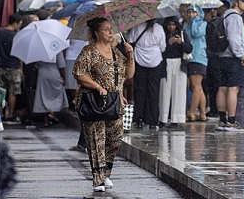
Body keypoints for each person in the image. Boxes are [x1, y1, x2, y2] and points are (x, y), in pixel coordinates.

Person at [73, 17, 135, 192]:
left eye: (111, 29)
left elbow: (128, 75)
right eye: (106, 29)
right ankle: (98, 179)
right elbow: (79, 73)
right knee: (96, 140)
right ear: (96, 33)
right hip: (93, 102)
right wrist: (97, 86)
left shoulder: (116, 52)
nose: (110, 32)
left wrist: (131, 55)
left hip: (113, 102)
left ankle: (106, 172)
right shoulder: (89, 51)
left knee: (115, 138)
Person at [216, 0, 244, 131]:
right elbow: (234, 39)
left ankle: (222, 119)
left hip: (222, 56)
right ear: (236, 2)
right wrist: (242, 55)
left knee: (222, 88)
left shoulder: (225, 16)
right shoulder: (235, 17)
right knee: (233, 89)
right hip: (233, 57)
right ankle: (231, 120)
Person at [129, 18, 166, 129]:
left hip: (139, 59)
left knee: (139, 90)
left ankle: (139, 118)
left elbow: (131, 40)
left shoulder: (136, 27)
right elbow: (163, 47)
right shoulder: (159, 28)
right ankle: (153, 120)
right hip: (155, 60)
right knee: (154, 90)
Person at [159, 18, 192, 126]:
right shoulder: (162, 34)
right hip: (166, 63)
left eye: (173, 25)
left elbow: (189, 48)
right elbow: (161, 50)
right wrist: (168, 43)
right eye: (169, 24)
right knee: (165, 91)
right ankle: (163, 117)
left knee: (179, 91)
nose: (171, 27)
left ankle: (176, 118)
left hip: (179, 63)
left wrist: (180, 43)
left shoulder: (182, 34)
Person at [205, 0, 231, 119]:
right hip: (221, 55)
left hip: (212, 56)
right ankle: (221, 111)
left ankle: (215, 110)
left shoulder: (213, 23)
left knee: (214, 85)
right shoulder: (225, 22)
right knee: (220, 84)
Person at [0, 13, 23, 124]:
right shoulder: (16, 36)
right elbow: (19, 54)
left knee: (1, 92)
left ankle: (0, 114)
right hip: (14, 66)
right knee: (13, 92)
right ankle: (10, 115)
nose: (20, 26)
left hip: (0, 66)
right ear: (15, 23)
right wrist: (21, 68)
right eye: (19, 24)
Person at [32, 50, 69, 128]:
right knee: (55, 93)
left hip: (42, 73)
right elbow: (61, 65)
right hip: (54, 71)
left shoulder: (39, 48)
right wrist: (64, 78)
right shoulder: (57, 48)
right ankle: (52, 113)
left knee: (43, 95)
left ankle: (46, 120)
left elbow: (36, 64)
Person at [184, 4, 208, 122]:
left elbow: (195, 33)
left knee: (195, 86)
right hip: (190, 58)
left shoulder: (203, 24)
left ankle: (192, 113)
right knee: (198, 87)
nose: (191, 15)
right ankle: (203, 113)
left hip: (198, 57)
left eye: (194, 12)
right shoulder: (186, 25)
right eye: (189, 12)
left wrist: (194, 22)